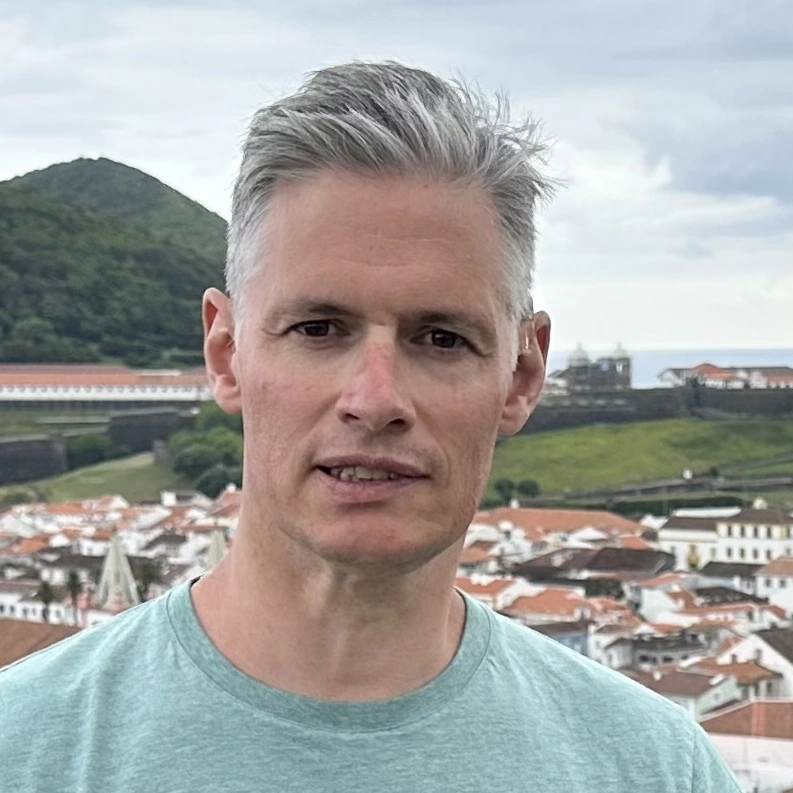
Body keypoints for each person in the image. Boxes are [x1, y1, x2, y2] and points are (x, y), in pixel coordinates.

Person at [0, 62, 740, 792]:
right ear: (226, 354)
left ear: (520, 375)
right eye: (318, 328)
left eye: (442, 338)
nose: (376, 398)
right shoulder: (22, 750)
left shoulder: (656, 769)